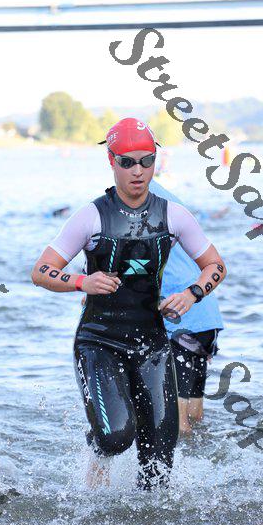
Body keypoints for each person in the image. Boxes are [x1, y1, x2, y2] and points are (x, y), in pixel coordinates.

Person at [32, 118, 227, 489]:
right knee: (116, 437)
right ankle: (97, 449)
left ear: (155, 161)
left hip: (152, 344)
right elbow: (41, 271)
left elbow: (215, 265)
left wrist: (191, 294)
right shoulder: (91, 216)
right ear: (112, 161)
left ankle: (150, 524)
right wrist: (82, 282)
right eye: (127, 162)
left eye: (146, 161)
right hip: (99, 342)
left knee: (159, 466)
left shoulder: (174, 215)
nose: (138, 171)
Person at [151, 179, 224, 434]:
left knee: (178, 423)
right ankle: (203, 454)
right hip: (206, 316)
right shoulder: (173, 205)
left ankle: (186, 460)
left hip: (180, 318)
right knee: (194, 413)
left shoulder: (136, 206)